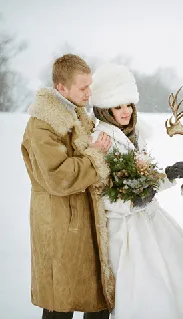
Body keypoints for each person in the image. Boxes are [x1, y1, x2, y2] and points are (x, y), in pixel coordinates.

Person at [90, 63, 183, 319]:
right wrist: (134, 203)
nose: (126, 111)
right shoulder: (101, 141)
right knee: (148, 289)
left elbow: (144, 184)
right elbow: (99, 195)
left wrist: (167, 176)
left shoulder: (135, 135)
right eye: (118, 106)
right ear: (105, 109)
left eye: (129, 105)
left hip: (152, 221)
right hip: (124, 232)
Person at [21, 54, 116, 319]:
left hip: (86, 223)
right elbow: (58, 177)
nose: (89, 92)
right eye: (83, 87)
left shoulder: (79, 117)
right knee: (59, 306)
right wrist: (95, 156)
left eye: (90, 86)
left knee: (97, 303)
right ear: (61, 88)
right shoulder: (43, 123)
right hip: (60, 225)